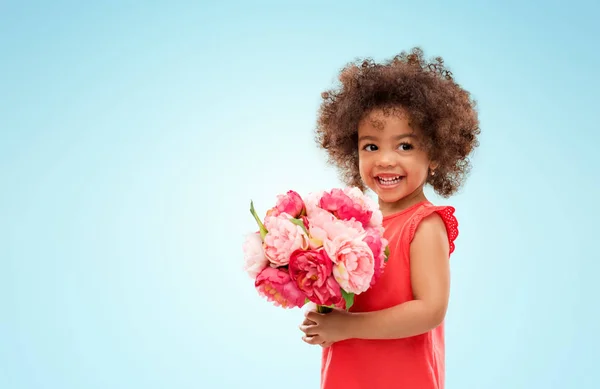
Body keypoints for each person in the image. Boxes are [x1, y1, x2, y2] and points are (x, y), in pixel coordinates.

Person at [298, 47, 480, 389]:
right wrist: (323, 317)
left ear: (436, 153)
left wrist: (345, 326)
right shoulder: (354, 227)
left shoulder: (424, 224)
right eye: (371, 146)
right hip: (347, 374)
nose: (385, 160)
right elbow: (350, 299)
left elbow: (429, 311)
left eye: (405, 146)